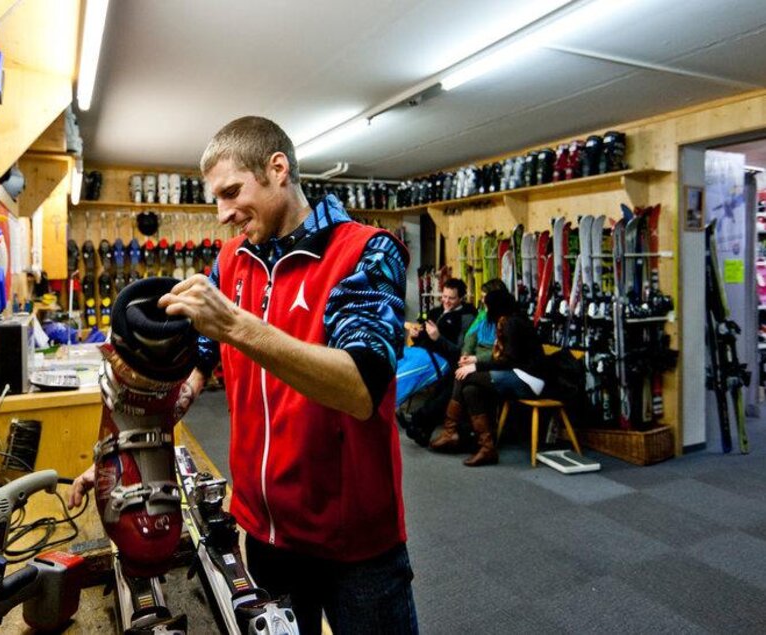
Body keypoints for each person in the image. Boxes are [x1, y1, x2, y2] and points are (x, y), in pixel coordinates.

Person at [69, 116, 417, 634]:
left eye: (232, 192)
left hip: (355, 545)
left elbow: (361, 387)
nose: (224, 214)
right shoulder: (232, 261)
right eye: (215, 198)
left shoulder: (365, 252)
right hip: (263, 532)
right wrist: (129, 453)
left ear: (278, 169)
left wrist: (235, 323)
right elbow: (200, 363)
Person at [430, 288, 548, 466]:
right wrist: (475, 364)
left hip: (528, 379)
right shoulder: (509, 320)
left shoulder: (511, 324)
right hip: (517, 374)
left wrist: (476, 366)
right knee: (470, 390)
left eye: (487, 306)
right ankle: (486, 447)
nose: (485, 310)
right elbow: (504, 360)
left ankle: (451, 431)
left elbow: (508, 360)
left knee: (464, 376)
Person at [398, 278, 476, 445]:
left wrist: (438, 338)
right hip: (423, 353)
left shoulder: (467, 317)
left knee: (407, 375)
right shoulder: (435, 312)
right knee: (393, 360)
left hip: (445, 360)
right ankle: (420, 426)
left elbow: (460, 351)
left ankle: (409, 416)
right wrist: (416, 336)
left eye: (451, 298)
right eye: (444, 296)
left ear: (461, 298)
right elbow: (424, 340)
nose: (446, 301)